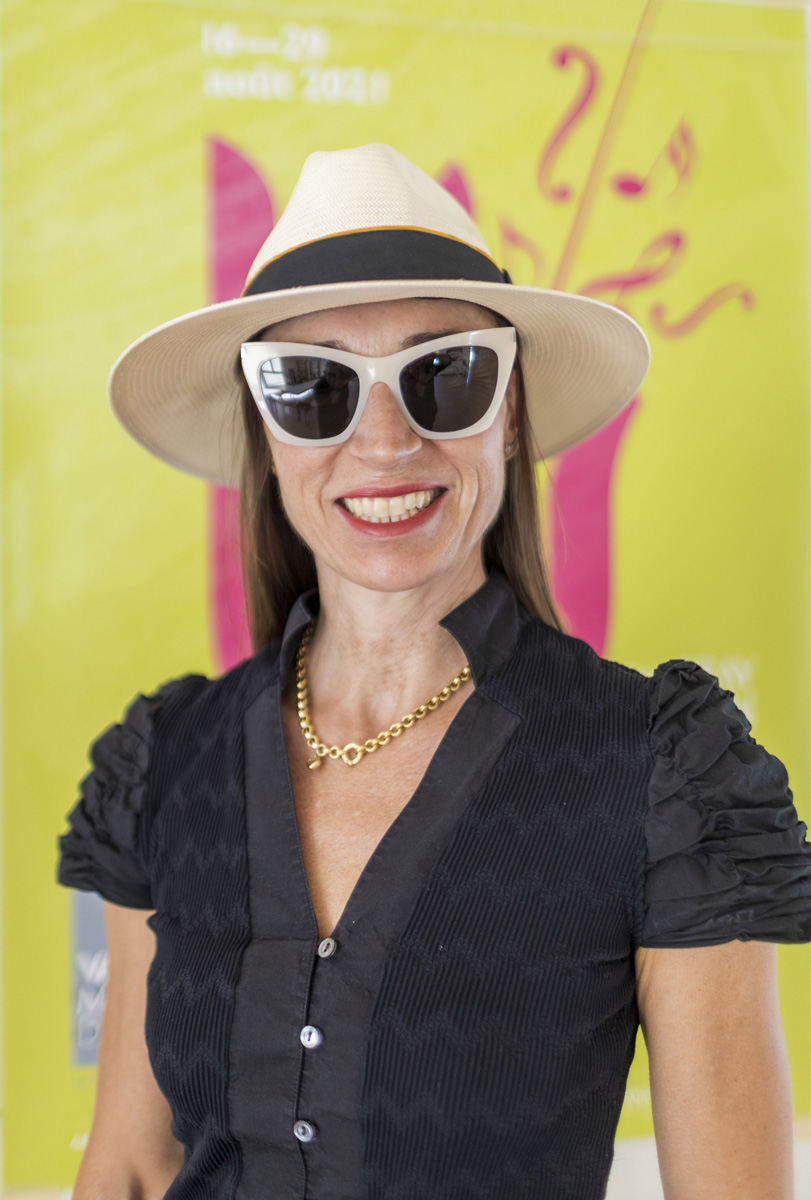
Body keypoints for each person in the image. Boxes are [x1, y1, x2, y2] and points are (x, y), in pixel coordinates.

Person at [58, 144, 811, 1200]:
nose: (383, 442)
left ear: (509, 411)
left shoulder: (661, 774)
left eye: (443, 376)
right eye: (313, 387)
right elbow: (134, 1169)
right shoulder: (164, 765)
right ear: (266, 434)